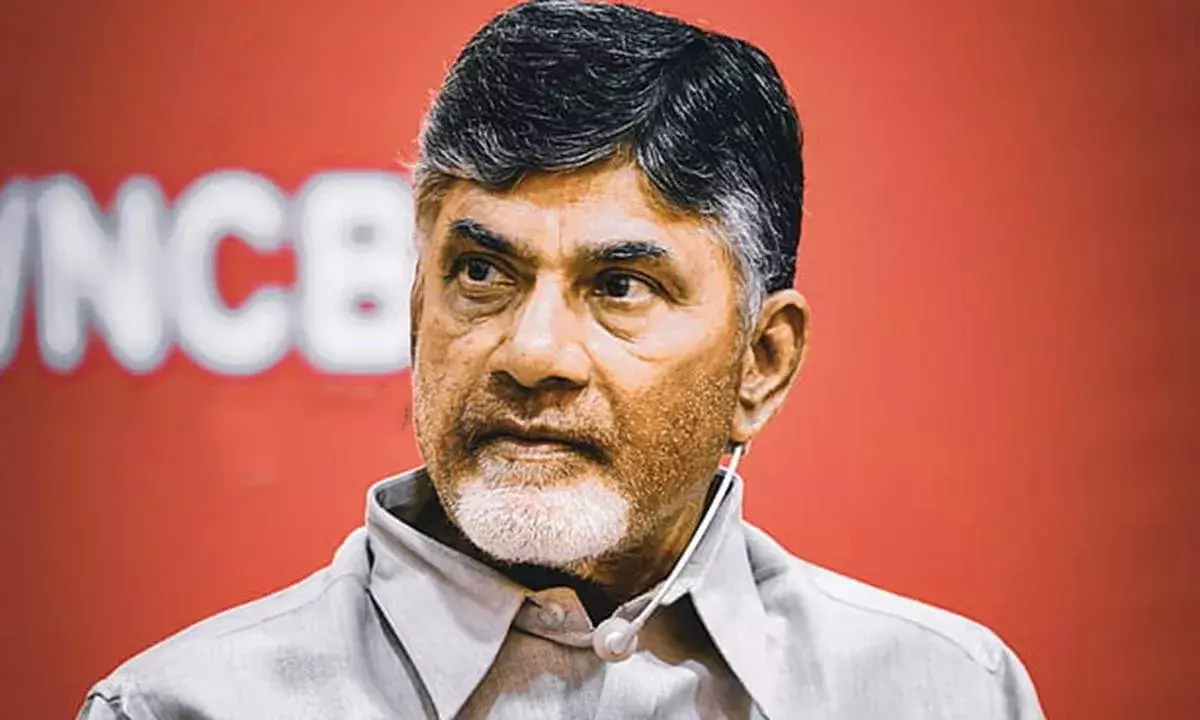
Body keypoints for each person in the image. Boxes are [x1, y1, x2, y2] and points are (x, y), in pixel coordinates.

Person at [78, 1, 1045, 718]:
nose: (533, 352)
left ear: (762, 362)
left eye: (620, 285)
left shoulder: (948, 695)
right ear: (416, 315)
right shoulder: (182, 709)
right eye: (482, 272)